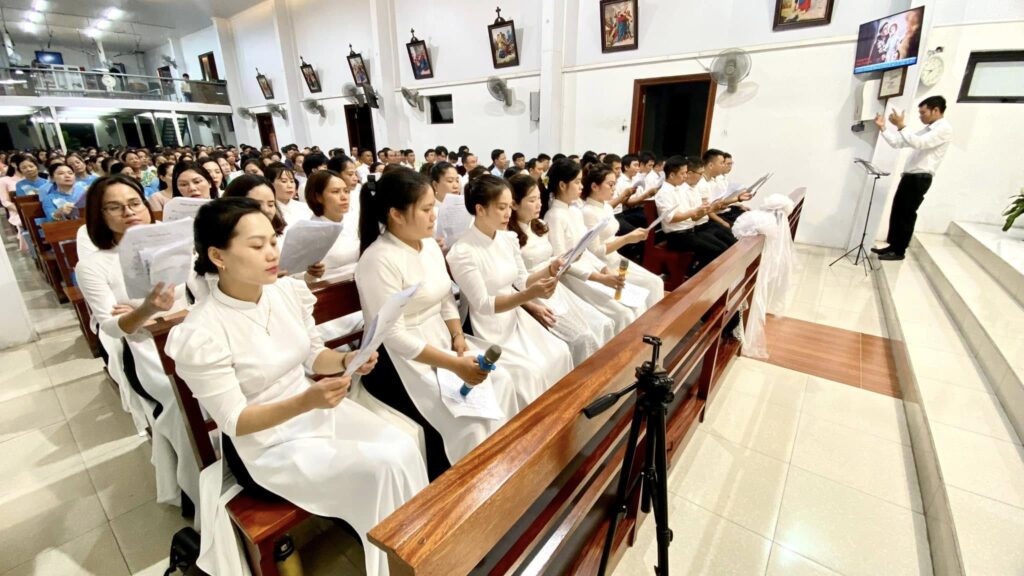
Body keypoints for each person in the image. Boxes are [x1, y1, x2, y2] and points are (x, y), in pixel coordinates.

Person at [166, 197, 427, 576]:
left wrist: (347, 361)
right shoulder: (201, 332)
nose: (272, 253)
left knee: (404, 444)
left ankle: (416, 552)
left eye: (273, 240)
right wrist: (307, 401)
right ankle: (395, 564)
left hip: (316, 413)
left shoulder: (284, 292)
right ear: (218, 256)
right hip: (265, 444)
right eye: (257, 245)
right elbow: (235, 420)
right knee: (382, 466)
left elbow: (313, 356)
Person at [355, 169, 520, 477]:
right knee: (468, 421)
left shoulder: (428, 245)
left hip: (442, 341)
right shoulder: (378, 260)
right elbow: (393, 335)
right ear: (396, 214)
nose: (435, 215)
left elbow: (445, 296)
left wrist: (458, 336)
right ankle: (468, 484)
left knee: (502, 382)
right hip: (399, 361)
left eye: (434, 207)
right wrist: (454, 364)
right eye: (426, 209)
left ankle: (503, 471)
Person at [75, 175, 199, 512]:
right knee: (182, 399)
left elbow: (199, 295)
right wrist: (146, 310)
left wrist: (153, 315)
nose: (129, 212)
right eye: (115, 207)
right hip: (145, 351)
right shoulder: (94, 265)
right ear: (99, 216)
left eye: (134, 203)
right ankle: (197, 485)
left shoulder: (174, 246)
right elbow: (112, 327)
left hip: (190, 333)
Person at [447, 175, 574, 402]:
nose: (508, 213)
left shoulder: (508, 239)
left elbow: (523, 280)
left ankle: (563, 408)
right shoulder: (463, 252)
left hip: (514, 318)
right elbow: (483, 305)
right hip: (486, 326)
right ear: (480, 209)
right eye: (501, 207)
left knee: (559, 351)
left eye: (509, 206)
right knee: (531, 373)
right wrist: (529, 296)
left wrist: (550, 269)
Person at [509, 173, 613, 364]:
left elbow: (551, 258)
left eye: (539, 198)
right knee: (581, 337)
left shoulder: (539, 225)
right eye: (532, 200)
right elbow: (516, 281)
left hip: (555, 286)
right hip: (534, 292)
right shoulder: (510, 235)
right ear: (514, 204)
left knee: (602, 323)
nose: (539, 204)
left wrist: (569, 257)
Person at [543, 159, 635, 332]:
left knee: (630, 303)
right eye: (577, 182)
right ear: (562, 185)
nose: (581, 186)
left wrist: (604, 269)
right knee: (622, 314)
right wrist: (599, 277)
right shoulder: (554, 216)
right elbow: (562, 263)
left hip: (590, 269)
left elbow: (584, 250)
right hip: (573, 278)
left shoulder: (574, 211)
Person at [873, 96, 953, 261]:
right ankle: (893, 246)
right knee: (898, 211)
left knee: (906, 214)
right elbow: (897, 143)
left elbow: (919, 144)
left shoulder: (944, 128)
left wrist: (901, 126)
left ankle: (899, 251)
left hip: (920, 178)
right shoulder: (927, 129)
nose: (920, 116)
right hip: (911, 176)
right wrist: (883, 128)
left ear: (936, 110)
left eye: (923, 112)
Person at [580, 163, 664, 309]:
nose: (614, 189)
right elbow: (595, 252)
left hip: (615, 259)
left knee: (656, 282)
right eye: (610, 184)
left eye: (615, 184)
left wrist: (632, 237)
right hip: (602, 266)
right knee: (651, 285)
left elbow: (611, 238)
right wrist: (627, 238)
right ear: (594, 186)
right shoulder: (588, 212)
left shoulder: (606, 206)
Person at [655, 156, 735, 271]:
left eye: (686, 172)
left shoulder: (679, 189)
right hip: (677, 236)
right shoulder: (664, 193)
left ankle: (697, 273)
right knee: (716, 251)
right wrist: (694, 211)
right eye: (683, 173)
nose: (685, 176)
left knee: (722, 247)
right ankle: (695, 277)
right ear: (672, 175)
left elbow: (694, 218)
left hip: (690, 231)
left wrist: (708, 209)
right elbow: (671, 218)